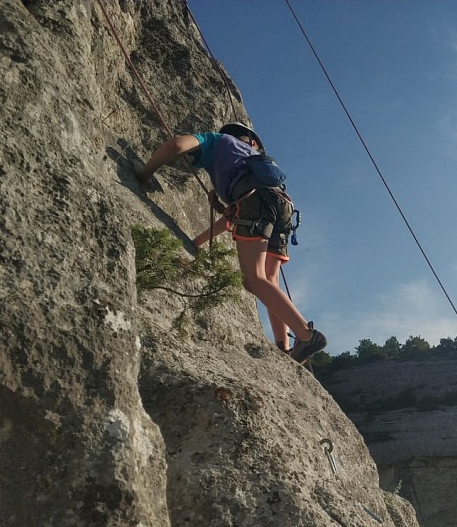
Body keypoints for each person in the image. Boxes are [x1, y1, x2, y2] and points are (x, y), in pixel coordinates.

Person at [134, 122, 326, 362]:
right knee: (269, 280)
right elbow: (232, 219)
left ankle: (307, 336)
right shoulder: (256, 166)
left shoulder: (218, 140)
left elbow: (176, 145)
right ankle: (284, 347)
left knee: (253, 279)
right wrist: (196, 242)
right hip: (283, 207)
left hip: (255, 202)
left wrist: (143, 174)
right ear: (252, 143)